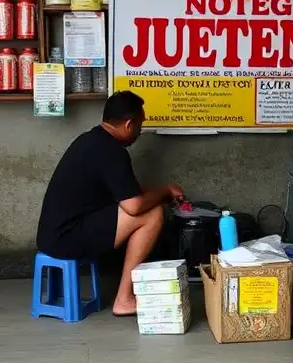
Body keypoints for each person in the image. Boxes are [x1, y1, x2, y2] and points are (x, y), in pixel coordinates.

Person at [37, 91, 184, 316]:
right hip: (66, 238)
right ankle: (124, 299)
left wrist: (163, 193)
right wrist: (165, 190)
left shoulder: (92, 140)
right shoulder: (112, 152)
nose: (140, 131)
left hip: (53, 235)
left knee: (148, 205)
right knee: (153, 214)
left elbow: (127, 195)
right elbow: (134, 206)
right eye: (140, 125)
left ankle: (125, 296)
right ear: (128, 124)